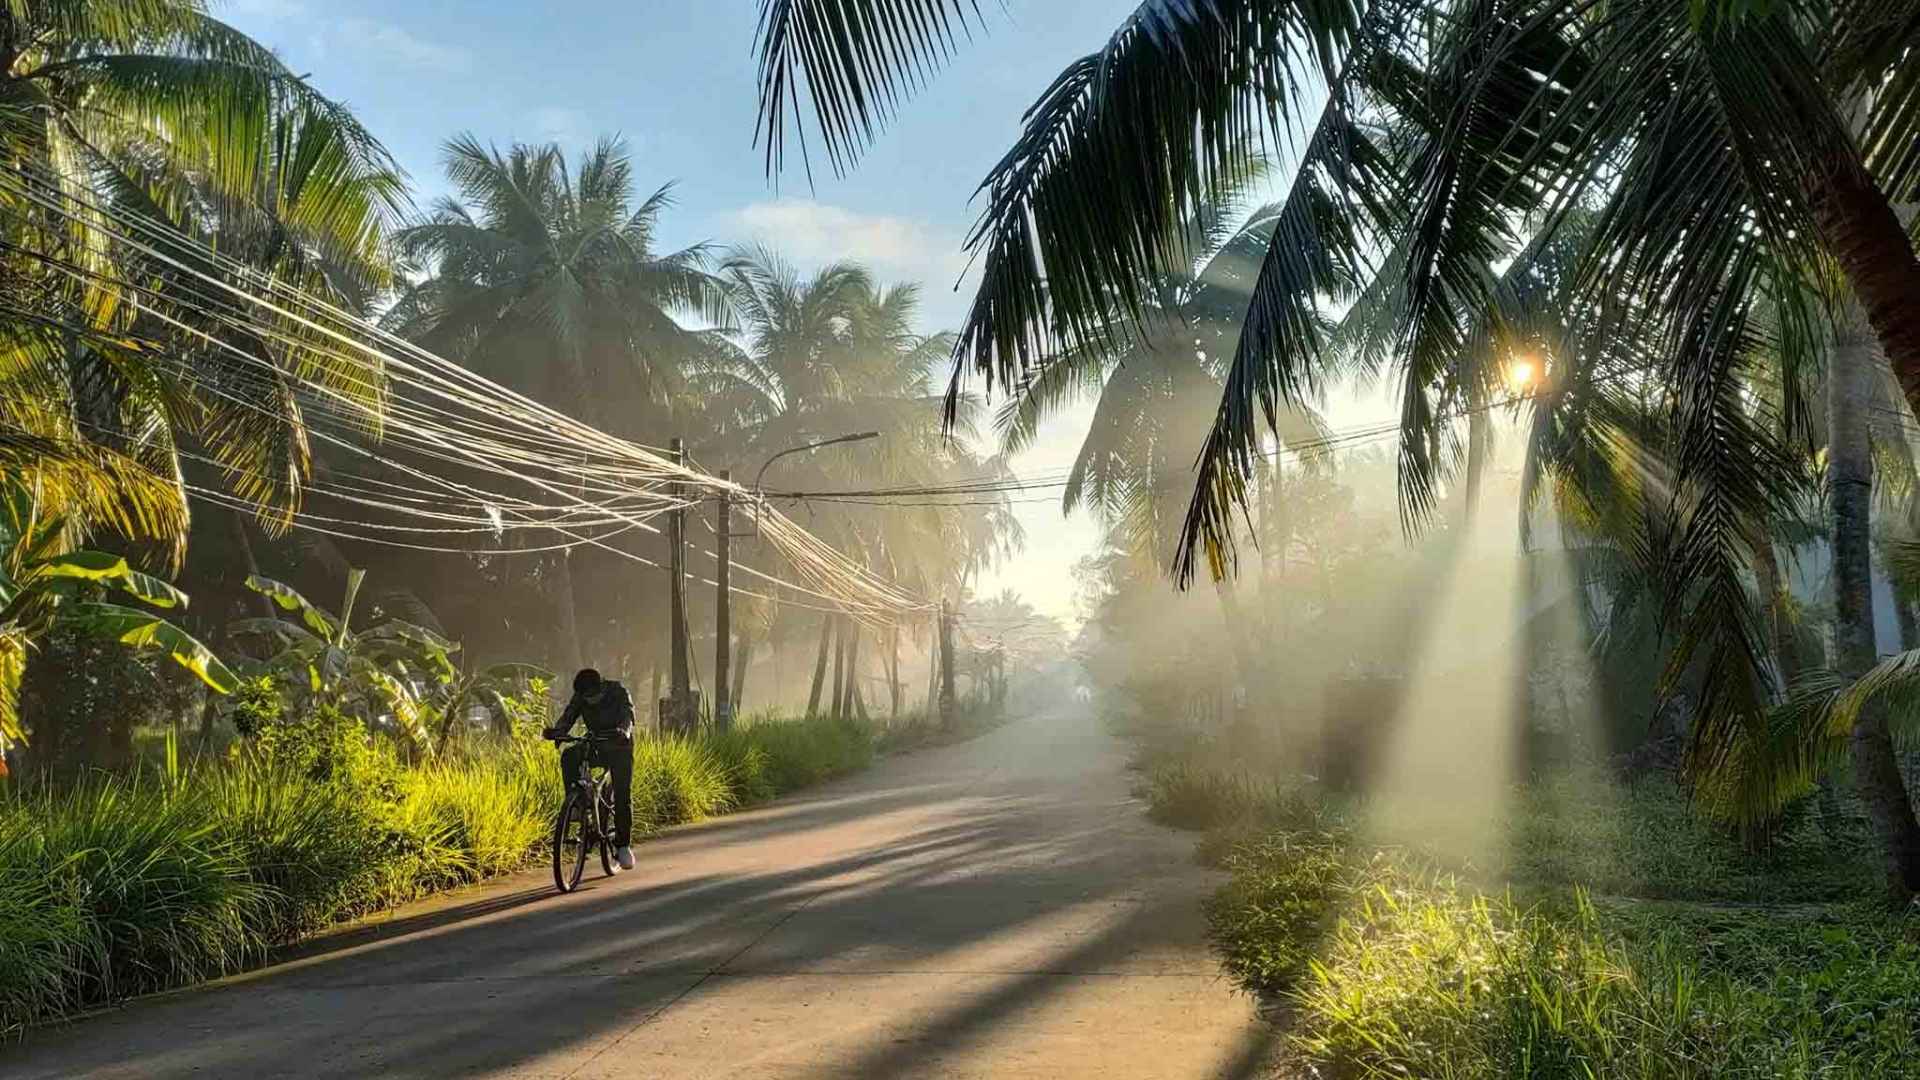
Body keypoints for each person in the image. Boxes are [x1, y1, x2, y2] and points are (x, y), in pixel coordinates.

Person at [545, 668, 637, 870]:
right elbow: (568, 717)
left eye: (592, 696)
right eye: (585, 697)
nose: (589, 700)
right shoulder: (581, 697)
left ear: (601, 687)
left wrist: (624, 730)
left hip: (620, 745)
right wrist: (558, 732)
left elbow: (628, 716)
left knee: (622, 794)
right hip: (596, 743)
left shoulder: (618, 691)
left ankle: (623, 846)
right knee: (570, 756)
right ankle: (577, 804)